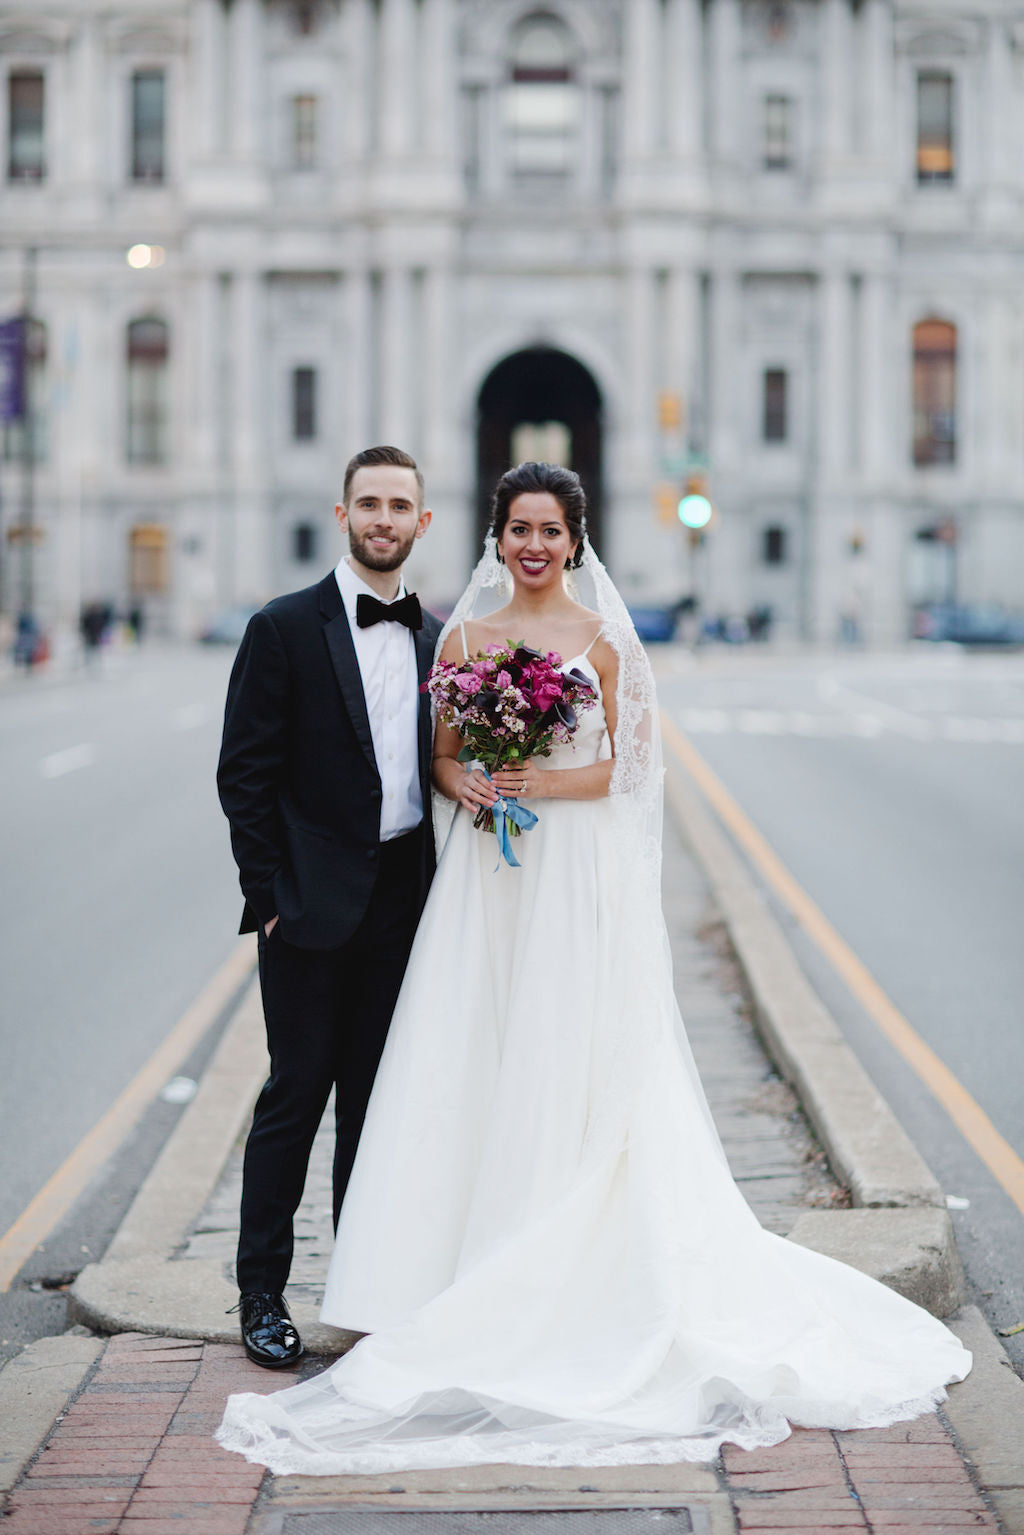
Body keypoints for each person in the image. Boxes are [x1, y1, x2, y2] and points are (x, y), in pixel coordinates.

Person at [218, 461, 970, 1473]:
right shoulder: (453, 633)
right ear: (488, 534)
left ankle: (450, 1278)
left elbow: (630, 768)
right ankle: (289, 1293)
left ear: (574, 537)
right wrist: (461, 787)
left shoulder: (604, 640)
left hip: (554, 879)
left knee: (462, 1078)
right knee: (355, 1082)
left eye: (550, 528)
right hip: (463, 886)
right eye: (518, 526)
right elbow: (414, 755)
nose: (533, 543)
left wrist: (536, 780)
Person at [216, 445, 441, 1369]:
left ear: (422, 523)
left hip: (405, 900)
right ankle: (262, 1294)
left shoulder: (439, 643)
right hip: (307, 906)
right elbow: (245, 774)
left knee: (374, 1108)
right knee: (295, 1097)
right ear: (344, 512)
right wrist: (267, 897)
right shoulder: (282, 627)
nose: (384, 519)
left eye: (400, 506)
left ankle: (360, 1288)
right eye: (370, 503)